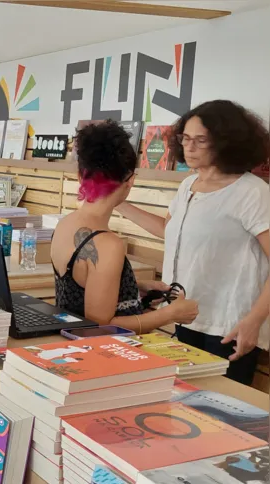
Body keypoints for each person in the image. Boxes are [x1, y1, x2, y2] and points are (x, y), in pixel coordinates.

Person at [117, 100, 270, 384]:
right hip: (185, 314)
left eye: (201, 140)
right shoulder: (189, 184)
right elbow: (170, 229)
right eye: (186, 138)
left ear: (228, 142)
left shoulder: (253, 193)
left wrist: (254, 321)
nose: (190, 147)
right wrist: (119, 203)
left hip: (229, 326)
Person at [51, 120, 199, 333]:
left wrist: (132, 286)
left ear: (80, 175)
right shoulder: (107, 244)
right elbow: (101, 326)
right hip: (103, 355)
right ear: (130, 181)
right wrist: (170, 314)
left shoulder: (66, 224)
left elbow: (81, 287)